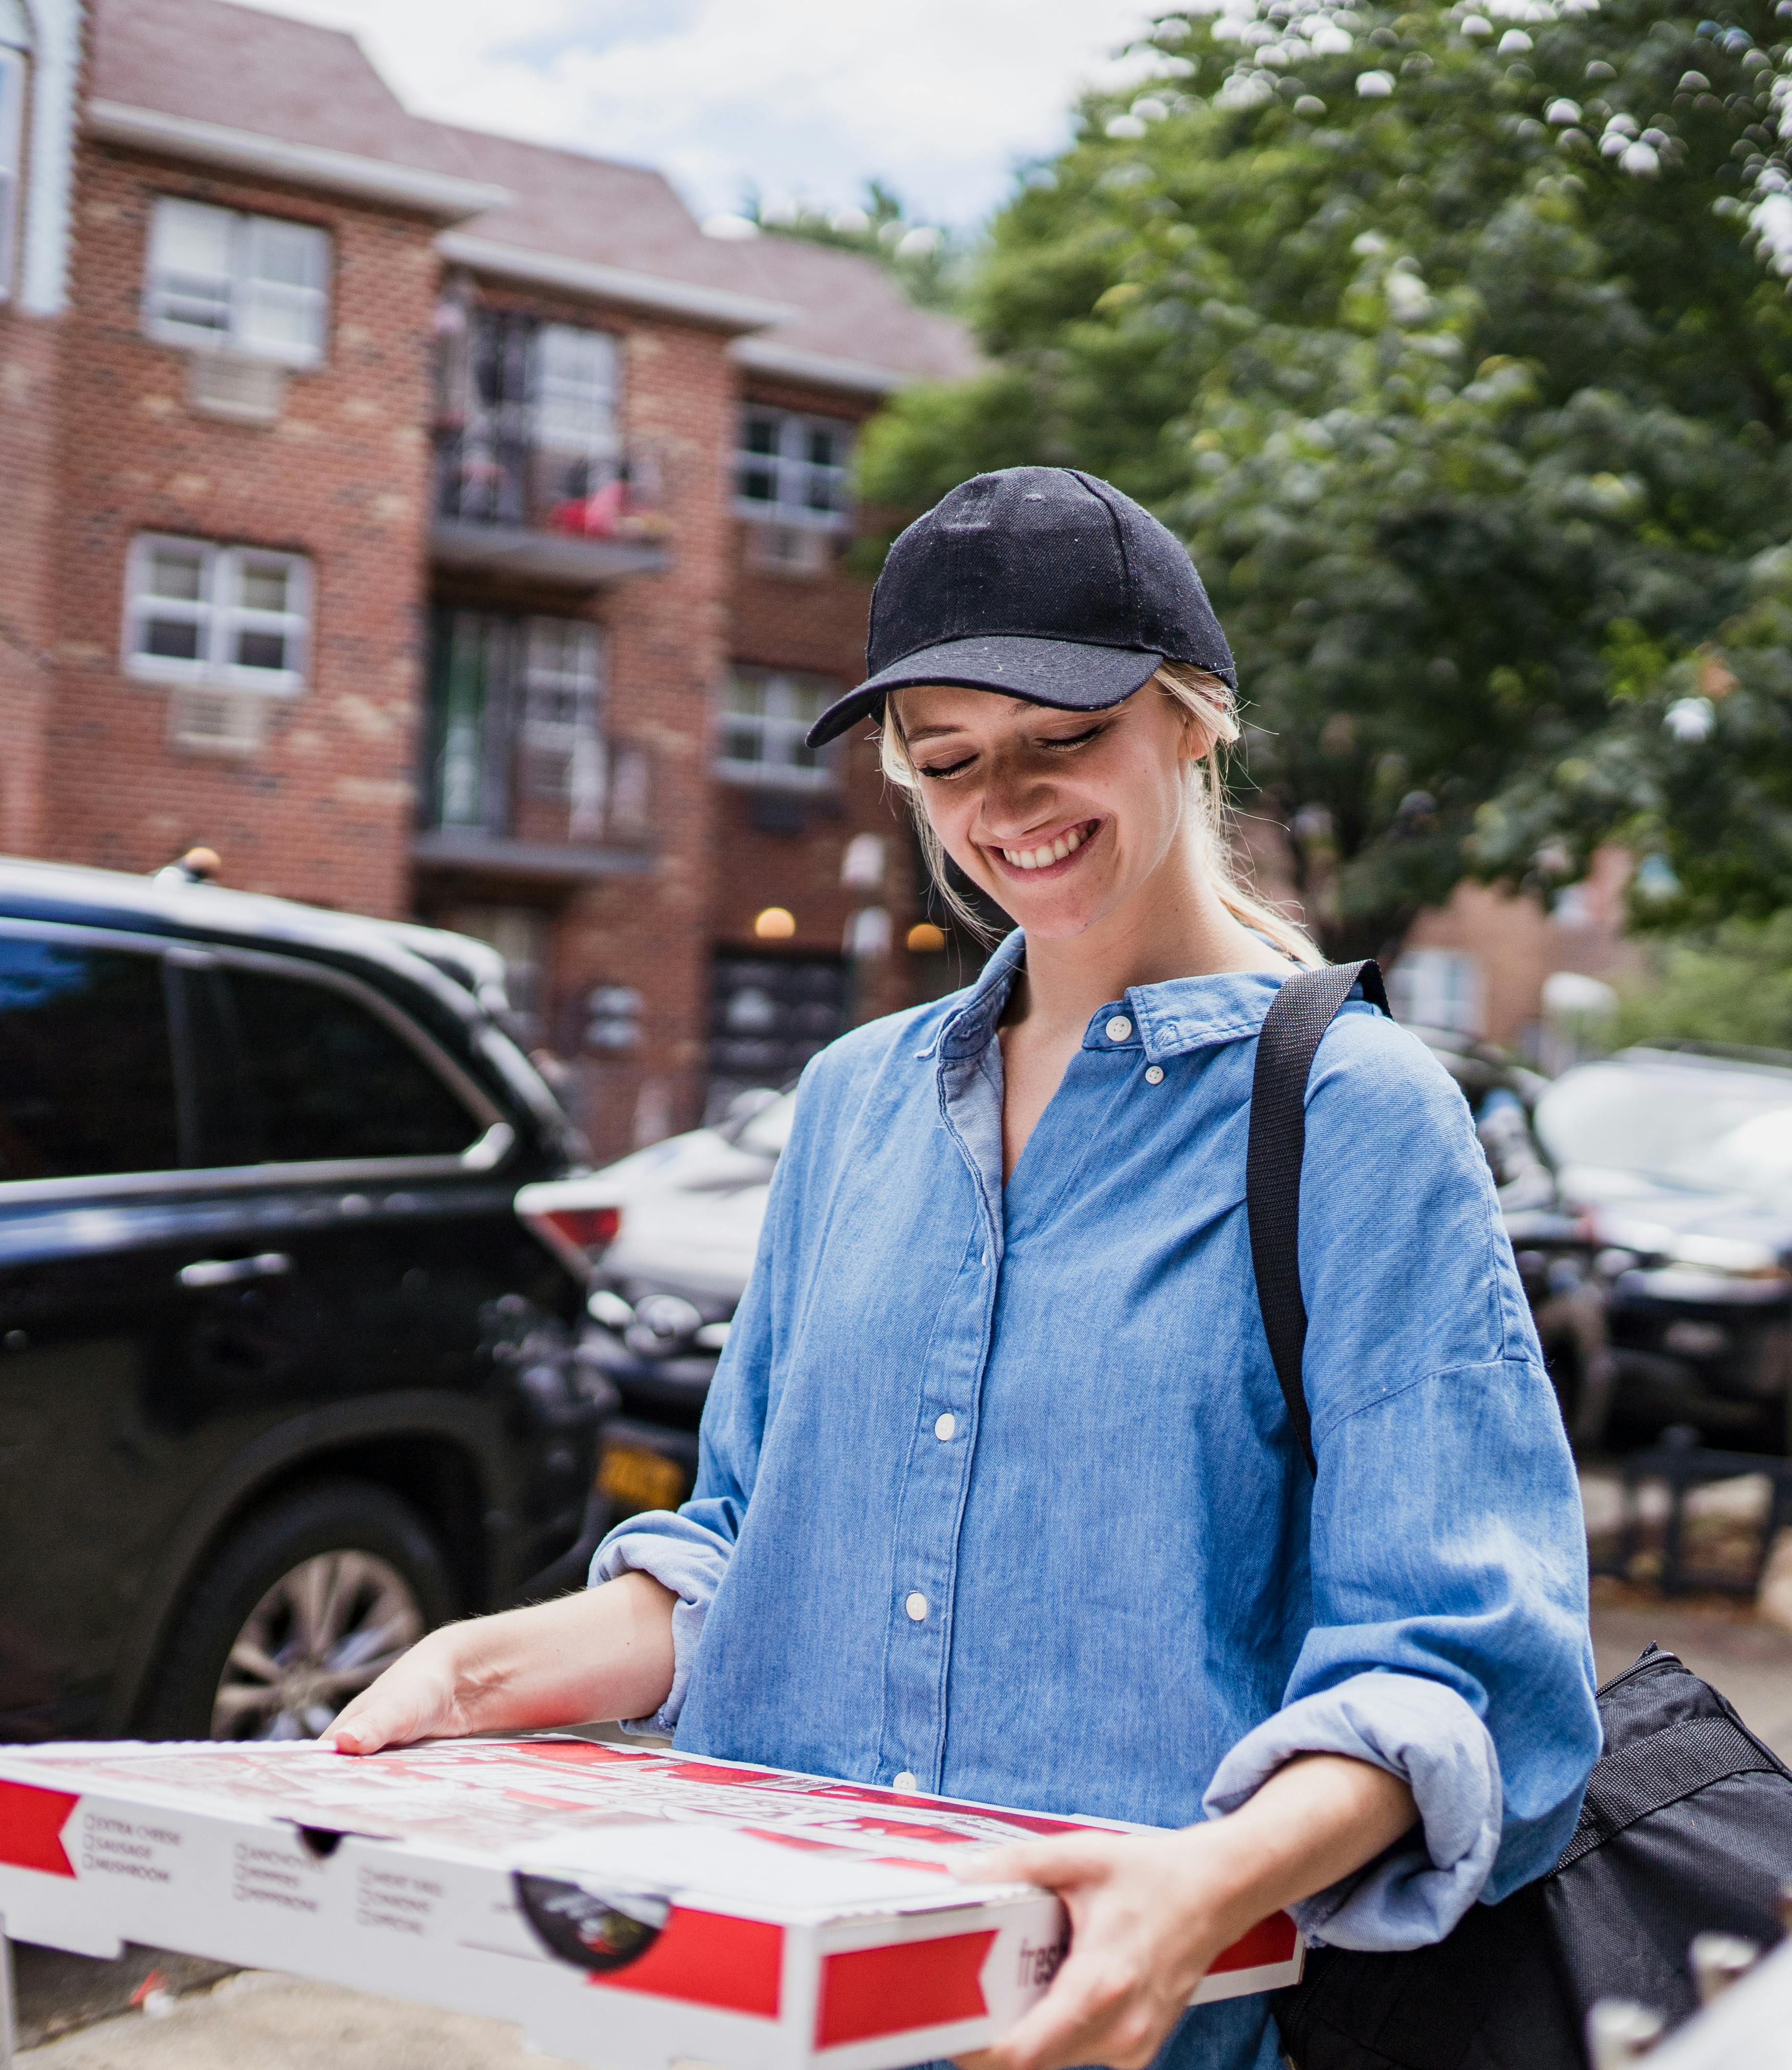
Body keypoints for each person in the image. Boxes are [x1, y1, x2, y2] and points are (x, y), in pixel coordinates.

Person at [331, 467, 1599, 2070]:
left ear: (1194, 719)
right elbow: (743, 1553)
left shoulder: (1354, 1117)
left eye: (1064, 738)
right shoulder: (859, 1100)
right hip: (741, 2026)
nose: (1007, 802)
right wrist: (482, 1667)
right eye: (948, 760)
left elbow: (1462, 1667)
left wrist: (1205, 1884)